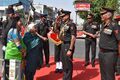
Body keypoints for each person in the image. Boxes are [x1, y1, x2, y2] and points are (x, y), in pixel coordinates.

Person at [99, 7, 120, 80]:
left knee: (109, 76)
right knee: (103, 74)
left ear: (109, 15)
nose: (101, 15)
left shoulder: (114, 25)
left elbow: (119, 41)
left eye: (102, 14)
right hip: (101, 53)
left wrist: (119, 57)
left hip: (110, 54)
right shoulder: (102, 25)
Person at [59, 10, 76, 80]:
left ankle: (68, 78)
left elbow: (73, 37)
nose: (62, 17)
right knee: (63, 61)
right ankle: (65, 77)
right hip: (63, 44)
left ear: (67, 16)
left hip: (68, 45)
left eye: (63, 16)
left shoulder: (71, 24)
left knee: (68, 63)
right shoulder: (63, 24)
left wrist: (70, 49)